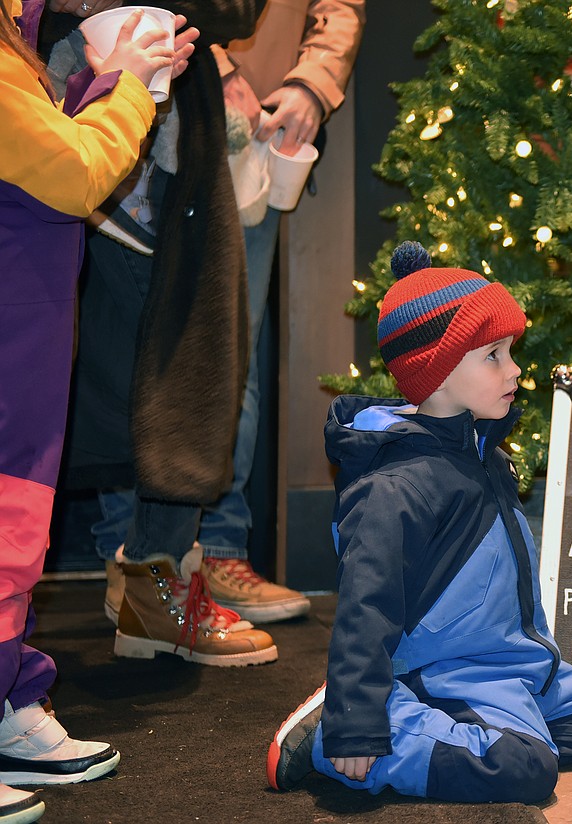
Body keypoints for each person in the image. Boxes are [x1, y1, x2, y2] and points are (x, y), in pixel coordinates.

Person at [267, 242, 572, 804]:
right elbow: (368, 603)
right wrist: (356, 719)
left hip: (510, 658)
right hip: (448, 665)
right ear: (436, 373)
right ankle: (346, 728)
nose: (515, 369)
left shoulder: (482, 451)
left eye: (511, 351)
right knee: (526, 768)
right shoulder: (397, 486)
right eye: (494, 356)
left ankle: (460, 715)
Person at [1, 2, 194, 820]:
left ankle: (7, 696)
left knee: (15, 533)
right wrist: (132, 91)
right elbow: (74, 174)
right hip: (15, 330)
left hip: (29, 337)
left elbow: (45, 156)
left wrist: (118, 76)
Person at [50, 0, 278, 667]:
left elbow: (236, 8)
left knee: (186, 386)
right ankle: (146, 595)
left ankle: (154, 593)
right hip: (60, 141)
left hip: (167, 170)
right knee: (80, 396)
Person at [191, 0, 366, 623]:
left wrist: (312, 85)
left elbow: (338, 6)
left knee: (231, 348)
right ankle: (136, 563)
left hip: (257, 134)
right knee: (133, 341)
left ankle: (214, 551)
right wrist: (208, 62)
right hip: (139, 96)